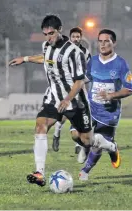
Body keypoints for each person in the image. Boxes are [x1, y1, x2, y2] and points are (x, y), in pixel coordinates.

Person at [9, 15, 117, 187]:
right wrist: (26, 59)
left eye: (51, 33)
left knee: (85, 140)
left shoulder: (73, 51)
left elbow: (80, 80)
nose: (48, 37)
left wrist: (67, 99)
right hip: (53, 98)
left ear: (59, 30)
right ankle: (39, 172)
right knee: (40, 125)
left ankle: (110, 146)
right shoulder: (46, 45)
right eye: (45, 34)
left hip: (76, 102)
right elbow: (46, 57)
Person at [79, 29, 132, 180]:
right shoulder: (93, 61)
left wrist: (111, 95)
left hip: (109, 112)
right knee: (78, 134)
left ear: (113, 43)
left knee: (98, 142)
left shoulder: (121, 64)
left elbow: (129, 88)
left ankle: (86, 171)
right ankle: (96, 146)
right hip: (91, 108)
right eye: (100, 41)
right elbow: (85, 79)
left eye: (106, 41)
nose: (102, 44)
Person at [52, 27, 91, 162]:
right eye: (73, 36)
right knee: (62, 115)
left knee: (78, 117)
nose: (76, 39)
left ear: (81, 37)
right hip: (65, 89)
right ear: (70, 37)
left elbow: (88, 72)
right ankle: (56, 134)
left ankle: (77, 144)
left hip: (79, 90)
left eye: (78, 36)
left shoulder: (85, 53)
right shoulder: (64, 51)